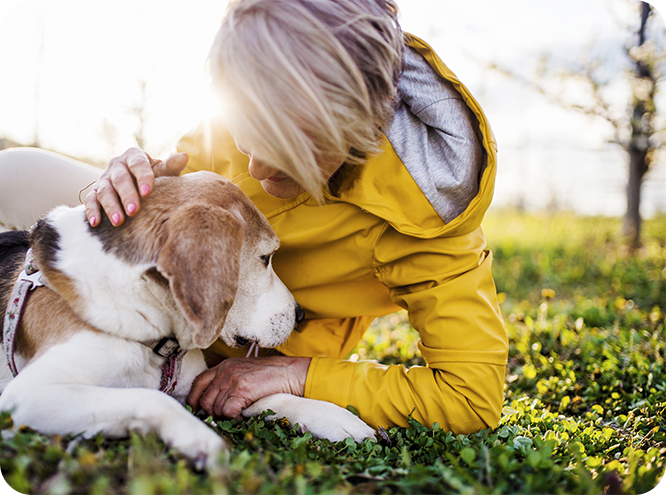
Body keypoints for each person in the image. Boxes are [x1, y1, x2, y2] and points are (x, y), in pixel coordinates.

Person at [0, 0, 507, 435]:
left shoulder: (430, 214)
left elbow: (470, 396)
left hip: (256, 336)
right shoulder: (254, 87)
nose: (255, 168)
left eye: (285, 154)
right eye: (246, 136)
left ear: (357, 125)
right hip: (168, 283)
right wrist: (125, 186)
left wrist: (299, 376)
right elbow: (185, 194)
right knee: (11, 170)